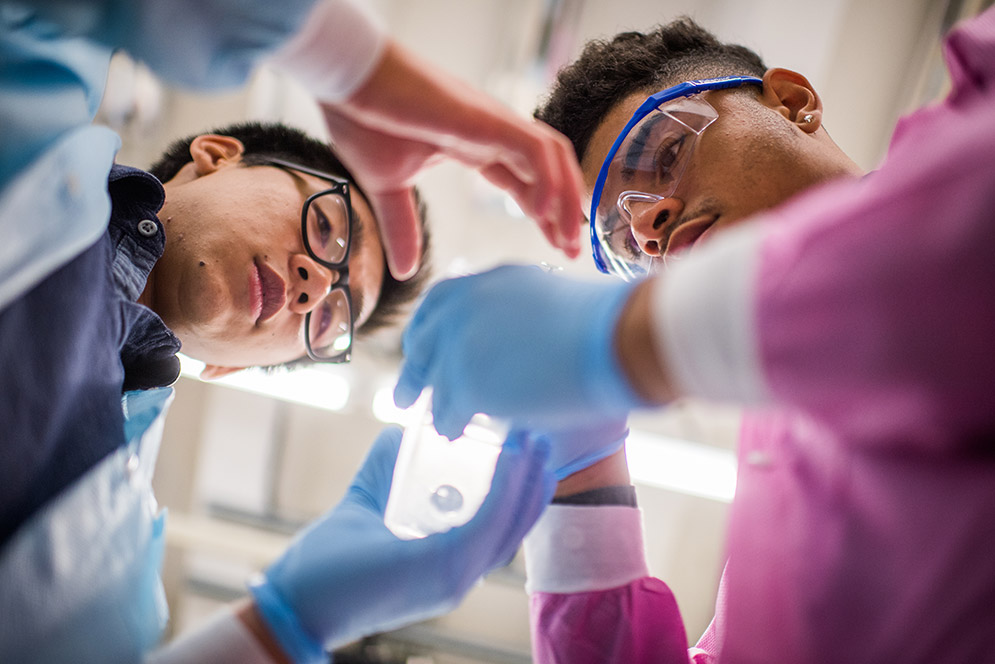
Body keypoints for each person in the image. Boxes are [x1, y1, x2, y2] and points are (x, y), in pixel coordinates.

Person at [395, 8, 995, 663]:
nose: (650, 224)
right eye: (628, 246)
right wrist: (578, 478)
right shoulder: (780, 445)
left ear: (791, 102)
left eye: (666, 153)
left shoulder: (971, 115)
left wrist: (621, 342)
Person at [0, 0, 579, 661]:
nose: (312, 287)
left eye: (328, 317)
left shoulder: (120, 580)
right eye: (328, 226)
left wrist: (285, 626)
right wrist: (351, 62)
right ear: (215, 155)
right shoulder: (32, 97)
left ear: (233, 369)